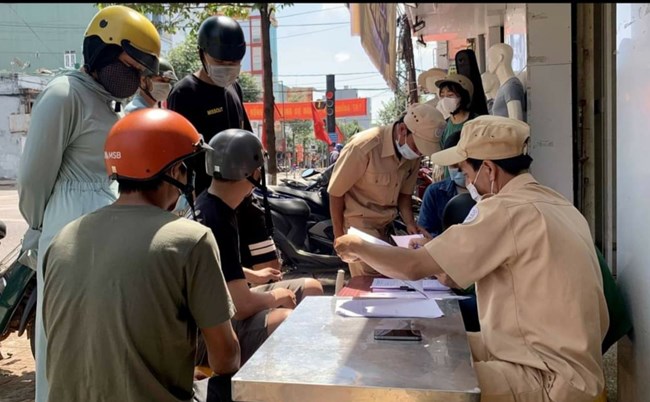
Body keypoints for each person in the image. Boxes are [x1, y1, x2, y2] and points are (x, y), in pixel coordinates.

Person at [335, 115, 608, 401]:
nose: (466, 182)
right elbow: (454, 272)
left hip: (548, 377)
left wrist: (357, 244)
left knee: (416, 388)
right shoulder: (557, 202)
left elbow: (412, 267)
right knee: (434, 339)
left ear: (488, 169)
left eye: (466, 172)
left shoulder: (506, 209)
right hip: (560, 361)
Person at [42, 109, 240, 401]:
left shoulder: (63, 239)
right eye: (186, 168)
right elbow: (225, 359)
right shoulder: (190, 239)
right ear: (173, 172)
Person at [16, 6, 161, 401]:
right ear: (103, 52)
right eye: (132, 67)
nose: (136, 78)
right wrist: (40, 226)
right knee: (69, 338)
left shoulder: (103, 102)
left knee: (103, 338)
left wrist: (148, 102)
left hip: (104, 226)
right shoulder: (64, 94)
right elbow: (33, 178)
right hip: (67, 227)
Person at [193, 128, 324, 366]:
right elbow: (242, 307)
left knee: (311, 288)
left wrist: (252, 274)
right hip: (207, 334)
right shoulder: (218, 218)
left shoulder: (210, 203)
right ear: (254, 172)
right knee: (286, 319)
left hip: (220, 305)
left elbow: (214, 267)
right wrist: (276, 295)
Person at [167, 15, 280, 272]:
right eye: (220, 62)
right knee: (227, 276)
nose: (228, 68)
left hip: (245, 197)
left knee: (269, 267)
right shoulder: (184, 93)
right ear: (202, 55)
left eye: (234, 63)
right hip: (212, 203)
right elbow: (183, 158)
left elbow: (249, 138)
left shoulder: (233, 88)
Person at [328, 102, 446, 277]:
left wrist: (410, 224)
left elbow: (404, 196)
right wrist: (339, 238)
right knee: (371, 283)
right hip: (359, 228)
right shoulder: (364, 146)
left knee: (393, 281)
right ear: (403, 130)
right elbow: (336, 193)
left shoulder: (412, 156)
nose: (419, 153)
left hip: (386, 227)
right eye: (417, 146)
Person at [417, 131, 467, 238]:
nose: (459, 170)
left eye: (462, 165)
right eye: (453, 165)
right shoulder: (435, 192)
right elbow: (425, 232)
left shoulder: (489, 192)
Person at [434, 73, 479, 181]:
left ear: (463, 96)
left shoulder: (476, 123)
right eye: (442, 95)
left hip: (473, 183)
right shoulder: (443, 126)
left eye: (450, 95)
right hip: (449, 183)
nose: (445, 100)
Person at [487, 43, 527, 121]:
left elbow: (516, 121)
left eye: (489, 59)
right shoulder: (505, 86)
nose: (488, 64)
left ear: (499, 58)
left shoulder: (511, 86)